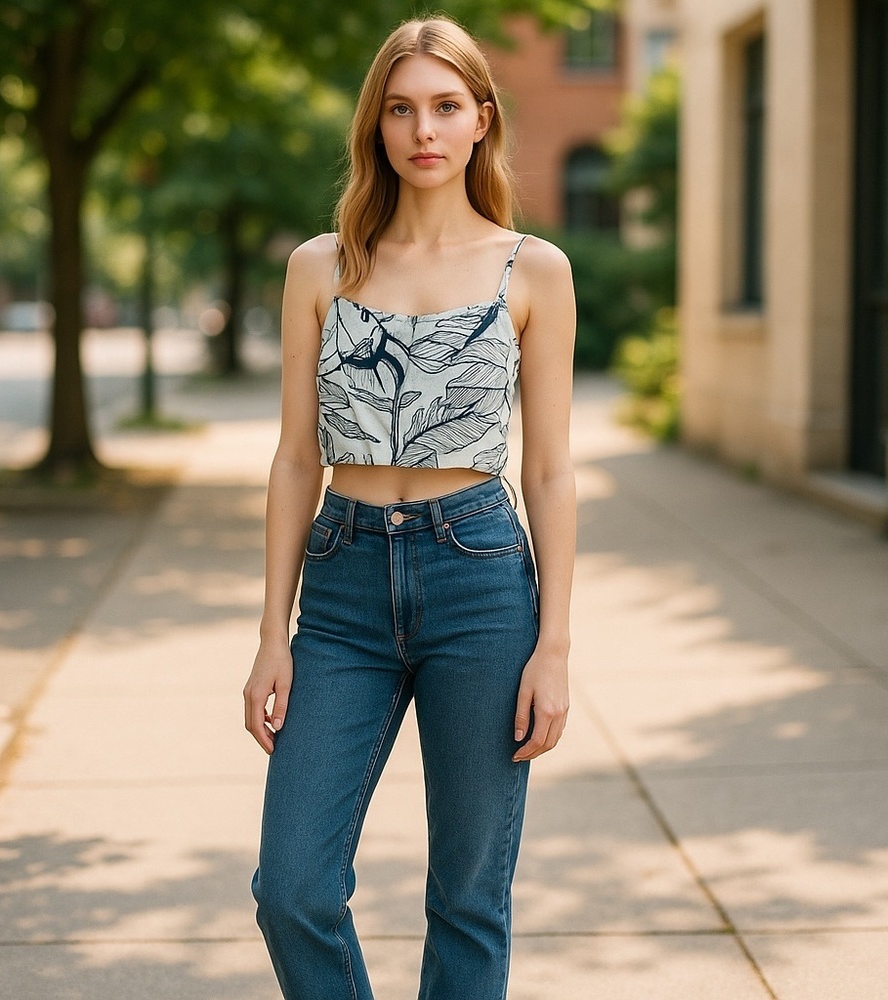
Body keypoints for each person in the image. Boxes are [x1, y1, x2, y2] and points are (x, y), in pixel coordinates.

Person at [243, 16, 576, 1000]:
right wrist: (273, 631)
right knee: (291, 885)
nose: (422, 129)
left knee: (468, 896)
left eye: (443, 106)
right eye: (400, 108)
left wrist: (553, 645)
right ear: (375, 126)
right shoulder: (321, 266)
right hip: (342, 586)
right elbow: (296, 458)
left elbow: (553, 470)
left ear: (482, 121)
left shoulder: (534, 269)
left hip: (477, 576)